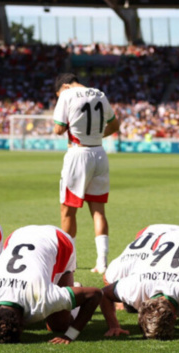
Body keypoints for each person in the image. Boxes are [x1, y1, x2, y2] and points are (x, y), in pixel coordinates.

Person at [0, 225, 102, 344]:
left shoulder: (41, 299)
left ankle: (74, 288)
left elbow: (95, 294)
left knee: (58, 326)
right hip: (17, 235)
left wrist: (71, 334)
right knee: (56, 318)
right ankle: (69, 292)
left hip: (58, 240)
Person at [53, 72, 120, 274]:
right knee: (98, 211)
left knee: (68, 211)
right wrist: (97, 135)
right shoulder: (100, 93)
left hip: (78, 153)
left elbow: (58, 129)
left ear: (64, 87)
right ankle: (102, 263)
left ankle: (68, 262)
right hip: (99, 153)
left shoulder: (67, 95)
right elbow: (114, 125)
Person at [104, 224, 179, 285]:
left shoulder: (115, 271)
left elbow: (106, 278)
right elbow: (106, 278)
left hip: (178, 233)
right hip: (149, 230)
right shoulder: (116, 270)